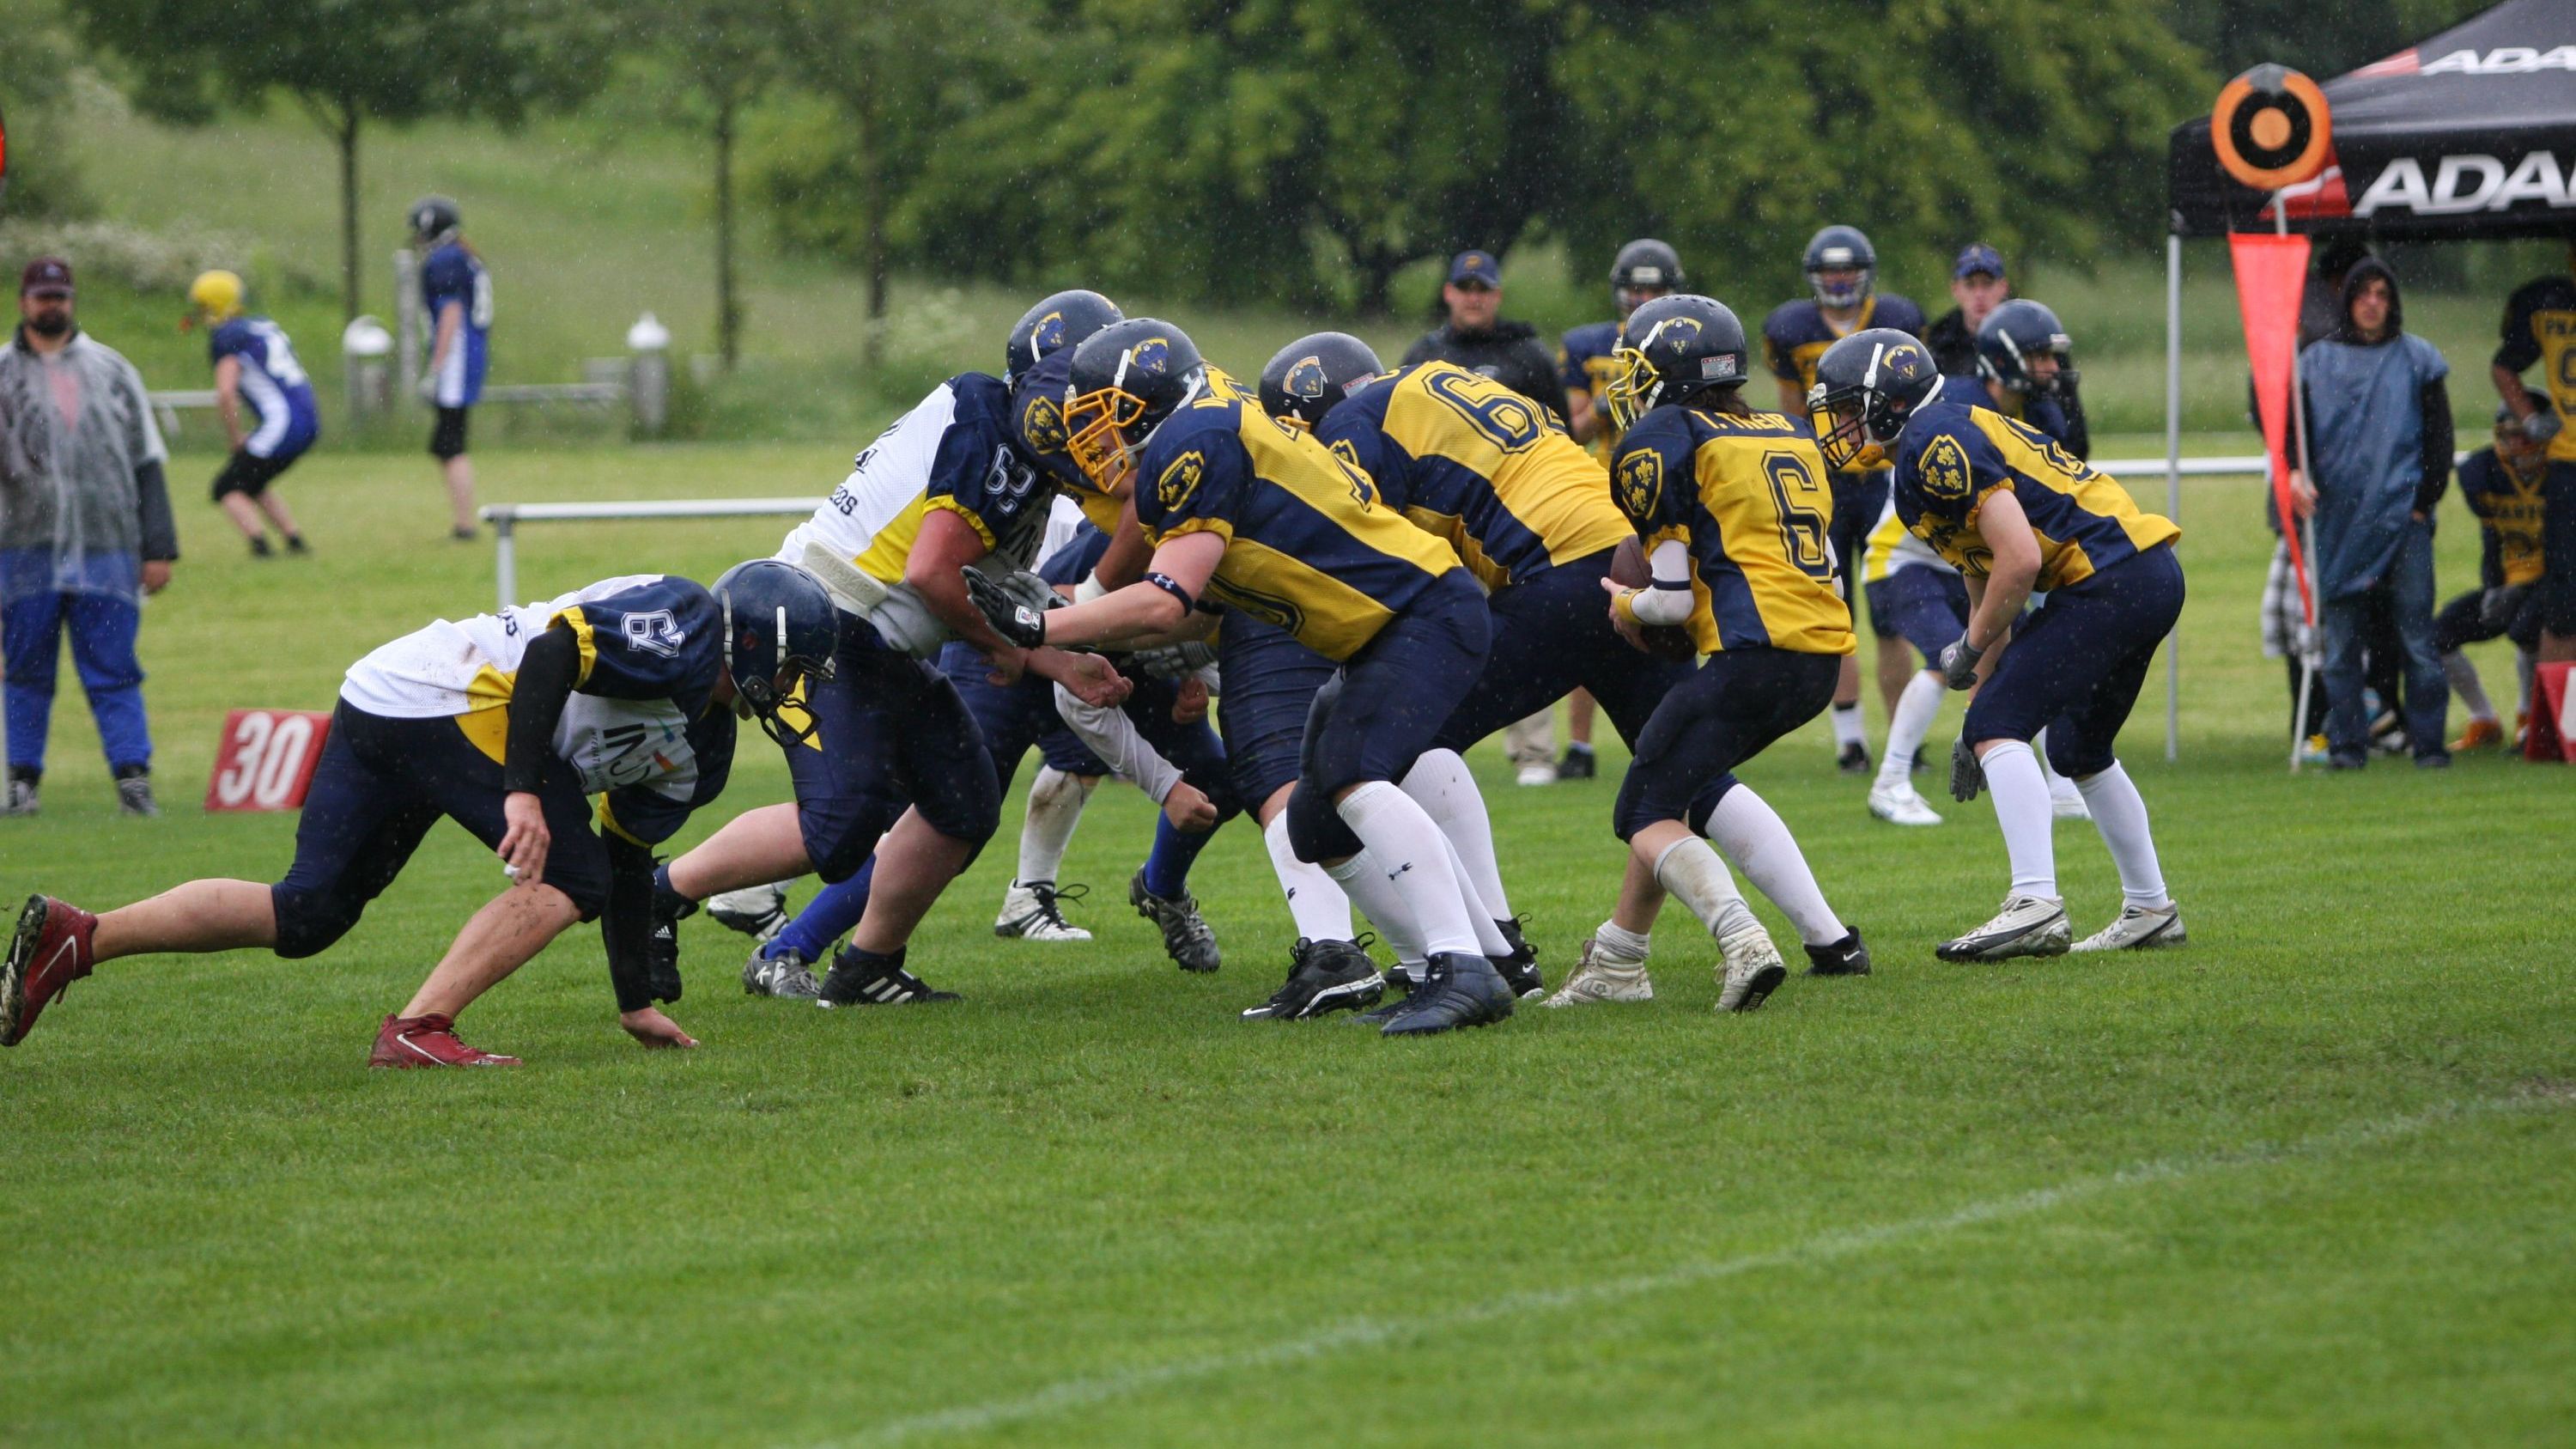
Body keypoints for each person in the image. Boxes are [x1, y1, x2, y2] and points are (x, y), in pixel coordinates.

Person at [3, 563, 831, 1063]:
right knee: (564, 868)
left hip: (386, 693)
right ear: (752, 640)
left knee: (310, 912)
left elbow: (621, 866)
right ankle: (419, 1028)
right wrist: (519, 789)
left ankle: (84, 937)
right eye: (792, 665)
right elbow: (550, 653)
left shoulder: (706, 758)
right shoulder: (687, 625)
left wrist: (633, 999)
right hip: (447, 688)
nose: (796, 687)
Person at [969, 319, 1522, 1038]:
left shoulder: (1191, 440)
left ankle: (1462, 965)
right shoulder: (1208, 419)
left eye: (1101, 415)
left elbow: (1167, 595)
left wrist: (1043, 625)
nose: (1091, 438)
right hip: (1384, 625)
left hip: (1416, 614)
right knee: (1318, 820)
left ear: (1145, 402)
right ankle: (1452, 964)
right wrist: (1064, 613)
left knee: (1354, 773)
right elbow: (1181, 610)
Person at [647, 357, 1126, 1009]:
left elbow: (962, 582)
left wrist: (1045, 653)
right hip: (826, 620)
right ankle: (660, 891)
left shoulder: (992, 423)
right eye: (1088, 410)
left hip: (876, 632)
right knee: (839, 824)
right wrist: (1039, 655)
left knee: (963, 802)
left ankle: (867, 965)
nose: (1101, 434)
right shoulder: (994, 440)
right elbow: (933, 574)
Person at [1541, 295, 1869, 1014]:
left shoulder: (1665, 438)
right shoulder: (1784, 431)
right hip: (1818, 660)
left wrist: (1624, 605)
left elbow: (1673, 604)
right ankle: (1622, 958)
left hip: (1750, 657)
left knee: (1642, 812)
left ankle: (1740, 936)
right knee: (1678, 784)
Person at [1816, 327, 2185, 960]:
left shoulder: (1935, 439)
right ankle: (2150, 907)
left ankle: (2036, 902)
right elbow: (1985, 576)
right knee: (2077, 746)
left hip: (2107, 577)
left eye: (1851, 408)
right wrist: (1980, 705)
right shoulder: (1923, 452)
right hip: (2141, 575)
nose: (1842, 424)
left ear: (1890, 401)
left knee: (2011, 725)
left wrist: (1966, 653)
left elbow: (2016, 560)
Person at [0, 257, 178, 819]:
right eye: (41, 297)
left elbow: (147, 461)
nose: (51, 306)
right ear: (24, 302)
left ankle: (133, 779)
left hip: (107, 549)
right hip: (23, 550)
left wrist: (159, 546)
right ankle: (22, 782)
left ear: (72, 300)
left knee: (114, 666)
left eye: (60, 296)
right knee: (26, 669)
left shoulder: (112, 370)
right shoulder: (3, 374)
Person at [1401, 249, 1573, 786]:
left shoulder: (1527, 353)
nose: (1474, 296)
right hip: (1445, 512)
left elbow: (1560, 431)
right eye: (1464, 286)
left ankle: (1535, 753)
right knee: (1441, 623)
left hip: (1518, 510)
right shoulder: (1425, 353)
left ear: (1496, 295)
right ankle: (1430, 745)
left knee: (1525, 623)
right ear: (1449, 292)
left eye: (1483, 288)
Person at [1765, 224, 1926, 775]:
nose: (1838, 280)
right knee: (1837, 613)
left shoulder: (1898, 319)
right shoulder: (1791, 328)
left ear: (1865, 275)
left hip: (1883, 478)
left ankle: (1908, 741)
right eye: (1829, 270)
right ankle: (1851, 741)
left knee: (1889, 616)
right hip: (1827, 481)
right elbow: (1792, 413)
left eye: (1847, 270)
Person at [2288, 259, 2454, 770]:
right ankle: (2347, 747)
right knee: (2339, 647)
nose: (2372, 303)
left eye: (2383, 293)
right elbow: (2295, 432)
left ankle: (2428, 746)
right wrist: (2295, 472)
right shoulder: (2315, 363)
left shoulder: (2418, 359)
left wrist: (2424, 504)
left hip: (2404, 520)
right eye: (2363, 293)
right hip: (2338, 521)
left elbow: (2439, 439)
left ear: (2392, 301)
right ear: (2348, 299)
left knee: (2416, 639)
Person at [1554, 239, 1685, 781]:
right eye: (1638, 288)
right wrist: (1615, 398)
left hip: (1669, 488)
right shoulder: (1588, 347)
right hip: (1605, 490)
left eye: (1654, 289)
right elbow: (1570, 428)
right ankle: (1581, 745)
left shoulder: (1684, 344)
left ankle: (1675, 730)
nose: (1644, 297)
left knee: (1679, 615)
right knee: (1596, 617)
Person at [2436, 407, 2549, 751]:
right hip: (2511, 580)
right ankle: (2484, 718)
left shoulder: (2562, 474)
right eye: (2510, 435)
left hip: (2555, 582)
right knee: (2439, 635)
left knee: (2526, 631)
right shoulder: (2484, 472)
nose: (2518, 444)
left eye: (2525, 435)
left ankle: (2528, 720)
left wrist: (2524, 590)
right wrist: (2494, 589)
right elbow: (2491, 540)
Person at [188, 270, 316, 557]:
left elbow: (225, 392)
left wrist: (235, 437)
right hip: (305, 418)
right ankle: (295, 541)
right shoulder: (260, 325)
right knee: (253, 480)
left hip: (283, 423)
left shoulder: (226, 336)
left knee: (227, 487)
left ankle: (261, 547)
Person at [2488, 246, 2576, 667]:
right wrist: (2530, 419)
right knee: (2563, 609)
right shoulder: (2550, 300)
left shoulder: (2550, 300)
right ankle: (2562, 725)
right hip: (2568, 464)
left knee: (2564, 605)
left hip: (2568, 469)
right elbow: (2504, 367)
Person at [410, 196, 489, 540]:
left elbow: (451, 314)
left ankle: (465, 525)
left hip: (456, 358)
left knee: (451, 443)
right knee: (446, 443)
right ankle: (463, 523)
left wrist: (436, 367)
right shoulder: (461, 255)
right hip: (468, 355)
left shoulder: (445, 259)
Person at [1922, 243, 2009, 377]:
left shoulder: (2022, 337)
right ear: (1955, 289)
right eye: (1970, 285)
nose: (1979, 294)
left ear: (2003, 287)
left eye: (1987, 284)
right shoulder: (1937, 342)